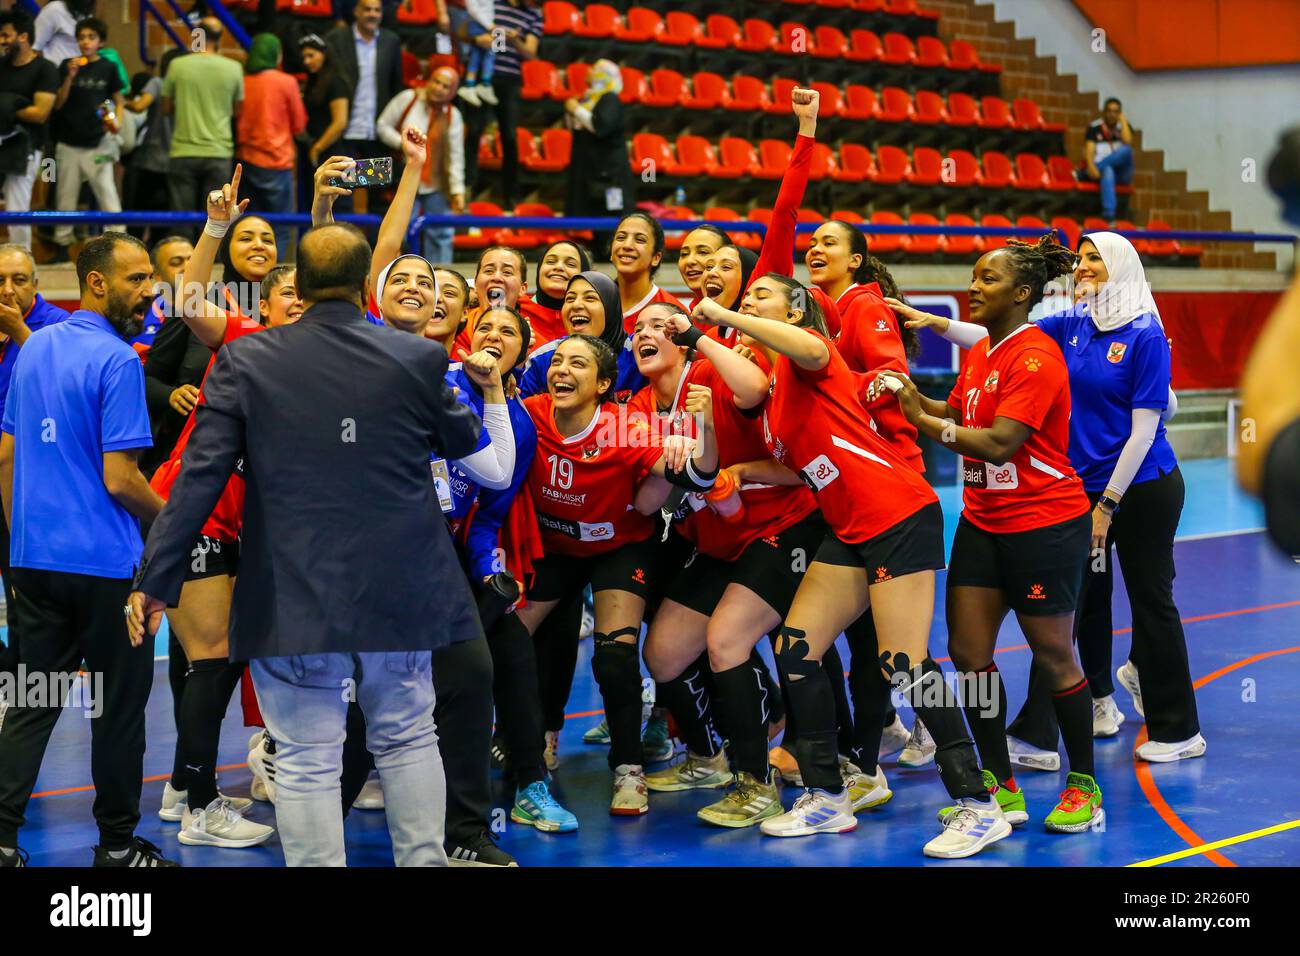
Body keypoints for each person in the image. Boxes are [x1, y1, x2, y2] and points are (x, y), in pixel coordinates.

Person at [128, 219, 484, 868]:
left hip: (292, 585)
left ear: (305, 284)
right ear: (360, 287)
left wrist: (156, 578)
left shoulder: (245, 358)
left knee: (307, 758)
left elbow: (198, 478)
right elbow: (464, 444)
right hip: (401, 583)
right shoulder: (418, 357)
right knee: (407, 737)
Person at [691, 276, 1011, 859]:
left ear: (794, 308)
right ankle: (827, 795)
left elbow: (811, 347)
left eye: (761, 295)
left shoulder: (812, 353)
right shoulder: (777, 391)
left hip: (897, 514)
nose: (748, 302)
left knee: (904, 665)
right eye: (745, 299)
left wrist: (721, 316)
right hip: (849, 527)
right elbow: (808, 463)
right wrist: (752, 470)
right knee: (796, 648)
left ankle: (978, 804)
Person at [901, 232, 1204, 765]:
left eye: (1095, 260)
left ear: (1121, 267)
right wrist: (938, 325)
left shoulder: (1145, 333)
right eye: (1081, 259)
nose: (1083, 266)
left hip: (1141, 486)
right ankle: (1082, 712)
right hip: (1077, 489)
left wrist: (1106, 506)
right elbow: (1001, 335)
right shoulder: (1074, 325)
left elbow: (1142, 432)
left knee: (1149, 602)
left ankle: (1177, 729)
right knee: (1075, 611)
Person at [870, 236, 1103, 834]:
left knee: (1054, 655)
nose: (973, 287)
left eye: (987, 279)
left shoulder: (1036, 358)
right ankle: (1000, 782)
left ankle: (1084, 784)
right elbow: (955, 412)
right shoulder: (982, 353)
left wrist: (922, 424)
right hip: (982, 521)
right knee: (971, 656)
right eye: (974, 277)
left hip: (1044, 525)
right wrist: (903, 392)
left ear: (1022, 293)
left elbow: (999, 441)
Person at [487, 331, 719, 824]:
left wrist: (692, 439)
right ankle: (522, 747)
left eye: (577, 364)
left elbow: (696, 476)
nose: (562, 370)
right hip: (556, 548)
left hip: (619, 547)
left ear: (603, 384)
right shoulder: (527, 413)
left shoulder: (623, 427)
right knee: (505, 644)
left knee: (614, 655)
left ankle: (628, 766)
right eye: (557, 362)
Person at [631, 302, 845, 827]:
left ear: (682, 337)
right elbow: (644, 502)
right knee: (661, 655)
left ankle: (756, 783)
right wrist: (677, 457)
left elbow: (753, 390)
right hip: (719, 541)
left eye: (661, 325)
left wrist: (702, 338)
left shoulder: (712, 369)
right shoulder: (636, 409)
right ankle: (716, 754)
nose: (646, 333)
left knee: (727, 641)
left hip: (783, 528)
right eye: (638, 328)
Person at [0, 232, 175, 869]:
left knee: (31, 705)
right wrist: (174, 524)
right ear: (97, 283)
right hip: (105, 571)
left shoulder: (35, 346)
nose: (150, 289)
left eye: (151, 276)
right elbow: (121, 479)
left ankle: (0, 839)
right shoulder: (121, 361)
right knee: (120, 714)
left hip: (35, 564)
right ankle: (119, 848)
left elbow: (8, 455)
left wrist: (20, 548)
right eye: (136, 278)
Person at [0, 243, 69, 681]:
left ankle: (27, 688)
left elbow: (63, 388)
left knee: (26, 591)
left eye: (19, 280)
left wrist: (20, 332)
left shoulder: (59, 328)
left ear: (36, 284)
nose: (8, 290)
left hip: (31, 484)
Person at [376, 66, 465, 263]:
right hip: (406, 179)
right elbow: (382, 126)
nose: (440, 88)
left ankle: (441, 280)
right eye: (437, 82)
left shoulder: (454, 115)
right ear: (429, 80)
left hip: (436, 183)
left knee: (441, 234)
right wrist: (404, 145)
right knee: (399, 233)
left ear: (453, 92)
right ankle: (396, 275)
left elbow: (456, 156)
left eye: (446, 86)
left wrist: (457, 190)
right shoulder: (408, 99)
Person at [49, 16, 123, 253]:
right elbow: (57, 104)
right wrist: (69, 78)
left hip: (98, 142)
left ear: (101, 42)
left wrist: (115, 122)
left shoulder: (108, 67)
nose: (85, 42)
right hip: (69, 141)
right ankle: (62, 244)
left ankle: (120, 242)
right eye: (81, 37)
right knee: (65, 196)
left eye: (91, 37)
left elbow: (117, 100)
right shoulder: (66, 65)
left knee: (107, 193)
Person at [162, 17, 244, 227]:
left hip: (183, 150)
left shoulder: (177, 65)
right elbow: (237, 111)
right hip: (218, 151)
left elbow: (165, 108)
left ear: (198, 35)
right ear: (219, 38)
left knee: (181, 218)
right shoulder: (234, 68)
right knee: (216, 220)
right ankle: (213, 260)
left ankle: (183, 257)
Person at [325, 0, 404, 213]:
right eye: (367, 9)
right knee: (342, 194)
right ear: (356, 12)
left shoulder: (391, 41)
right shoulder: (336, 39)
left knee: (378, 197)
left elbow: (396, 85)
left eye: (377, 10)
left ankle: (375, 245)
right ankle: (341, 245)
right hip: (345, 133)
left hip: (375, 133)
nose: (372, 14)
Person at [461, 0, 540, 209]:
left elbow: (531, 53)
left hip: (509, 80)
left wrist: (513, 39)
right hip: (480, 77)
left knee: (510, 137)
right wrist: (477, 38)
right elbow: (464, 29)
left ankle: (511, 197)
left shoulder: (533, 14)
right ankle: (466, 189)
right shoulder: (492, 3)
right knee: (474, 132)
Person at [236, 34, 306, 258]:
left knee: (248, 223)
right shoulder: (287, 82)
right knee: (281, 226)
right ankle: (273, 276)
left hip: (246, 159)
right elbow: (299, 123)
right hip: (277, 161)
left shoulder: (243, 81)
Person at [0, 10, 59, 252]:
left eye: (5, 35)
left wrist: (8, 107)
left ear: (23, 37)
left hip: (25, 147)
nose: (1, 40)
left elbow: (40, 112)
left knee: (17, 208)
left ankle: (21, 261)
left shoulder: (45, 69)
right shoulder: (1, 66)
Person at [563, 59, 634, 243]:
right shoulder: (589, 99)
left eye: (594, 69)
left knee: (612, 212)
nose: (589, 72)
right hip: (592, 170)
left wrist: (576, 109)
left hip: (610, 174)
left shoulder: (609, 98)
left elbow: (601, 126)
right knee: (594, 212)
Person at [121, 49, 185, 243]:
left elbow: (140, 106)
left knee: (138, 211)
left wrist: (121, 101)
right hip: (178, 158)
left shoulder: (158, 83)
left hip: (151, 157)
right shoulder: (188, 88)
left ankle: (136, 250)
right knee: (165, 216)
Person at [296, 34, 349, 210]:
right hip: (314, 153)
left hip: (333, 154)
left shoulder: (336, 82)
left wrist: (317, 148)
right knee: (315, 206)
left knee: (337, 207)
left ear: (324, 54)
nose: (307, 61)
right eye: (304, 57)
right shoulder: (312, 82)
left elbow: (340, 122)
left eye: (311, 55)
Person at [610, 212, 684, 334]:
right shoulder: (593, 302)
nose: (627, 245)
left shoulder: (673, 313)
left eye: (640, 240)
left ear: (656, 257)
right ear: (611, 253)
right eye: (621, 237)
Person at [523, 239, 590, 349]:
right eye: (550, 262)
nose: (558, 267)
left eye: (570, 264)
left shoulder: (594, 319)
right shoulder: (515, 310)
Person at [1081, 98, 1134, 223]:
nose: (1112, 114)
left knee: (1126, 150)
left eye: (1116, 112)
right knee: (1108, 170)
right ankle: (1109, 215)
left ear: (1120, 113)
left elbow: (1127, 141)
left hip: (1122, 173)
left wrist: (1123, 122)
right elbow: (1089, 150)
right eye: (1109, 111)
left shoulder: (1123, 127)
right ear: (1104, 112)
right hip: (1104, 173)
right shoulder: (1095, 127)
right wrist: (1090, 164)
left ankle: (1086, 171)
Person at [453, 0, 498, 107]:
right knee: (477, 55)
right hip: (482, 26)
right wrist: (490, 26)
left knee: (489, 54)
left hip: (490, 26)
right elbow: (473, 11)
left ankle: (483, 84)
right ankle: (471, 85)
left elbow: (500, 45)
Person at [33, 0, 92, 67]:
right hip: (54, 71)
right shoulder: (55, 9)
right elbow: (34, 46)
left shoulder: (87, 15)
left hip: (77, 72)